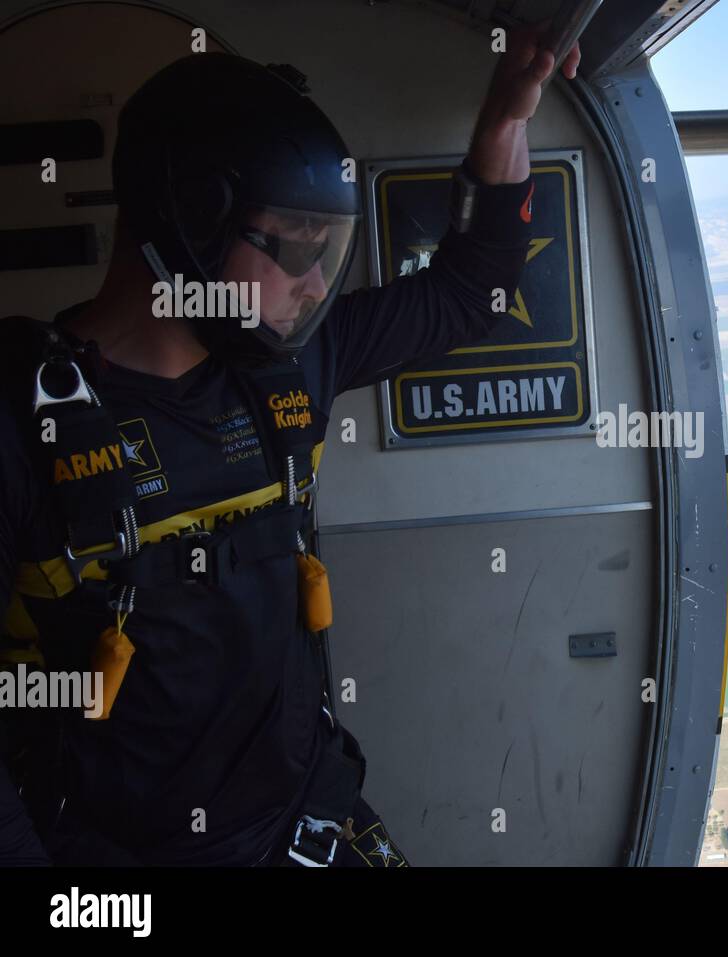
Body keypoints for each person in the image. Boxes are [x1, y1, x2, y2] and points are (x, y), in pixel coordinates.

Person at [0, 22, 580, 866]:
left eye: (327, 251)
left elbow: (472, 291)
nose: (316, 285)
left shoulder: (291, 363)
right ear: (189, 220)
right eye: (295, 247)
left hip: (311, 827)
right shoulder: (22, 428)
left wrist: (502, 124)